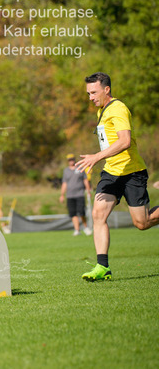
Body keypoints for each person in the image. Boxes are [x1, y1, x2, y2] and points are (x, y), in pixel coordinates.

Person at [75, 72, 159, 281]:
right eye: (88, 93)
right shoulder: (102, 110)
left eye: (94, 92)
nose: (90, 97)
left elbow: (125, 141)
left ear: (107, 89)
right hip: (111, 172)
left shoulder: (118, 108)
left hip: (131, 172)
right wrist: (102, 159)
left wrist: (97, 156)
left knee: (142, 223)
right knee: (98, 214)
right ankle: (102, 267)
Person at [59, 154, 92, 236]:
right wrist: (62, 195)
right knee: (73, 213)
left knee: (81, 212)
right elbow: (64, 183)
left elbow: (85, 180)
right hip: (70, 195)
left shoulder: (80, 168)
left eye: (72, 159)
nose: (71, 161)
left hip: (80, 194)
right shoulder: (66, 171)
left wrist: (88, 191)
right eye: (69, 160)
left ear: (74, 159)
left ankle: (86, 228)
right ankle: (77, 230)